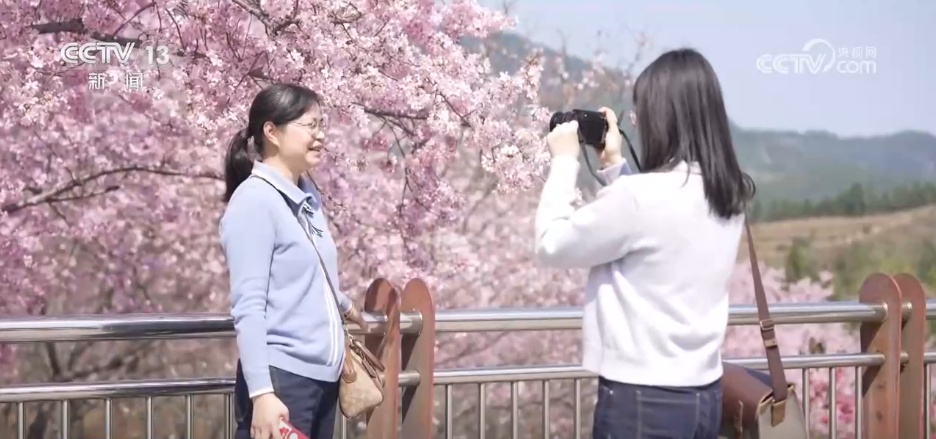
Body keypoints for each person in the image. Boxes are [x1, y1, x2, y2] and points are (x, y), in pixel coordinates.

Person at [534, 48, 755, 439]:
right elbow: (657, 234)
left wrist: (565, 161)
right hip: (703, 395)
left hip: (642, 400)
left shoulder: (641, 197)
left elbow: (552, 244)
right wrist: (615, 167)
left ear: (662, 118)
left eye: (643, 112)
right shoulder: (728, 194)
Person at [219, 83, 368, 439]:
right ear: (271, 131)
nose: (321, 136)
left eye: (322, 125)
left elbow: (307, 270)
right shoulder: (255, 201)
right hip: (284, 383)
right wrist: (262, 393)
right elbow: (249, 306)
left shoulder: (306, 198)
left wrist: (343, 304)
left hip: (323, 380)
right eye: (310, 126)